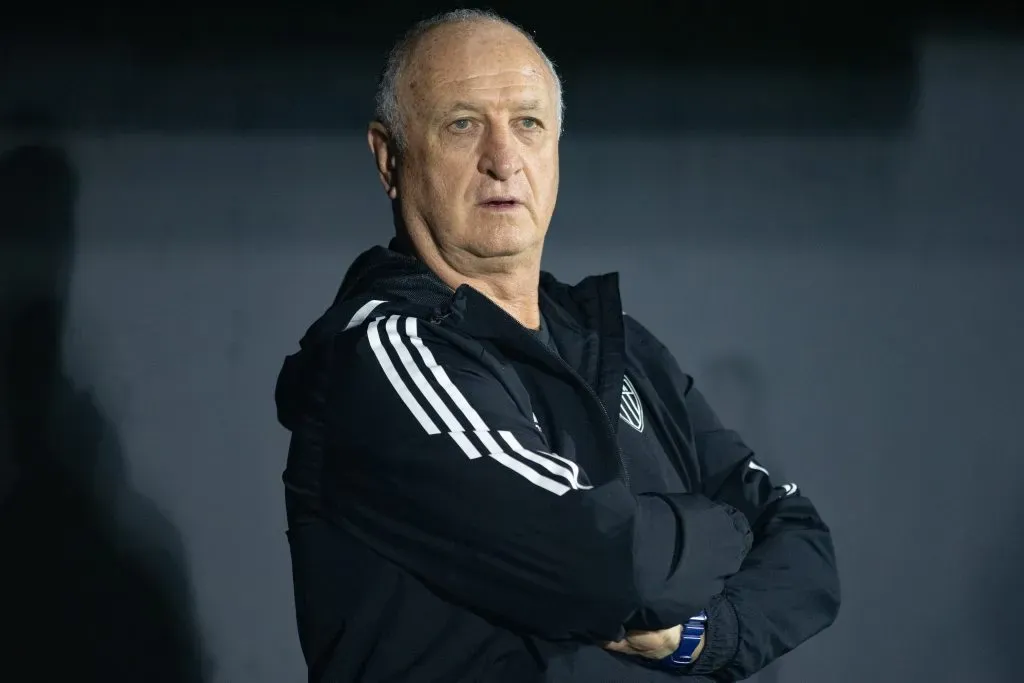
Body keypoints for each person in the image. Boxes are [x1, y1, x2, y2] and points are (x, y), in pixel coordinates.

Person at [275, 9, 840, 682]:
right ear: (388, 157)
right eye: (462, 124)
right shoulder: (381, 356)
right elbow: (604, 564)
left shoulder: (618, 344)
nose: (502, 158)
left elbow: (806, 548)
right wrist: (728, 523)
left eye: (528, 124)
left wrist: (700, 635)